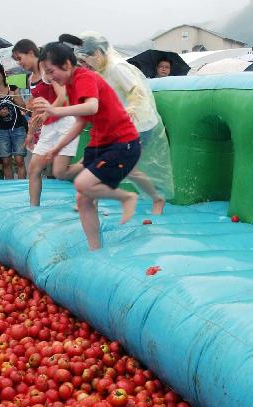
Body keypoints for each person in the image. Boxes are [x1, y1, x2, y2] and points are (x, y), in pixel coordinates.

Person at [32, 42, 141, 251]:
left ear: (66, 64)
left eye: (51, 72)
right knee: (83, 199)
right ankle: (95, 249)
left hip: (122, 142)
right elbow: (81, 121)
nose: (50, 77)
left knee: (82, 184)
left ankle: (127, 197)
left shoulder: (85, 77)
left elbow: (92, 106)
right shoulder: (71, 86)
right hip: (100, 143)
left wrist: (55, 112)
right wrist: (57, 147)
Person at [70, 32, 174, 214]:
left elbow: (136, 90)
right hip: (119, 125)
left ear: (97, 53)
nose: (85, 64)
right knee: (99, 161)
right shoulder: (100, 71)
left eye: (86, 59)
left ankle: (157, 198)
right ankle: (89, 198)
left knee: (126, 169)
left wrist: (131, 108)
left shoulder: (116, 68)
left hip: (137, 124)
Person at [12, 39, 81, 205]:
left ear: (30, 52)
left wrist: (49, 111)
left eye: (19, 58)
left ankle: (92, 164)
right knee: (34, 168)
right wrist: (30, 133)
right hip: (49, 126)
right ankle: (33, 207)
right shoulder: (30, 79)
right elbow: (36, 109)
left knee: (60, 172)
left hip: (65, 122)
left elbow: (63, 96)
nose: (19, 63)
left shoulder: (47, 69)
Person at [0, 62, 27, 179]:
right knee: (6, 162)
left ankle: (22, 186)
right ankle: (11, 188)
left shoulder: (13, 88)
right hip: (1, 131)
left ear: (3, 74)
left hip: (18, 128)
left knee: (19, 160)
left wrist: (15, 98)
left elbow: (24, 107)